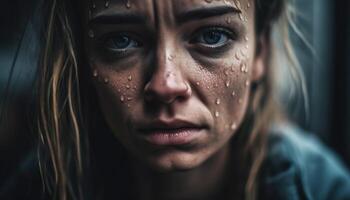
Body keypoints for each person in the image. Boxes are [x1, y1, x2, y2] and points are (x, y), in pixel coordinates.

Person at [1, 0, 350, 199]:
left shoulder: (320, 190)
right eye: (121, 40)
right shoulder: (41, 187)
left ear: (260, 52)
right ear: (84, 58)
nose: (165, 84)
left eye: (213, 35)